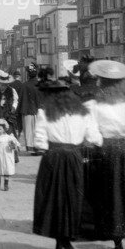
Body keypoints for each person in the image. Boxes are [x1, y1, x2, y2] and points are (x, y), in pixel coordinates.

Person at [32, 76, 103, 249]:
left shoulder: (45, 113)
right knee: (72, 196)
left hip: (53, 157)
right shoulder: (83, 112)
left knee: (53, 197)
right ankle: (68, 236)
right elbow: (95, 138)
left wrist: (48, 144)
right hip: (74, 156)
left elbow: (39, 142)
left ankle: (59, 239)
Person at [83, 60, 125, 249]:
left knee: (112, 193)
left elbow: (91, 134)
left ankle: (117, 238)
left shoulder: (93, 104)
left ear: (101, 82)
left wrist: (102, 144)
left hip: (108, 150)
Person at [0, 118, 20, 191]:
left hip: (6, 156)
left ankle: (6, 183)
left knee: (6, 168)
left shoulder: (8, 137)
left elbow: (15, 145)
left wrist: (13, 145)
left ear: (4, 129)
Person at [17, 63, 42, 155]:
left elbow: (20, 99)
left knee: (28, 130)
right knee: (39, 129)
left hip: (27, 110)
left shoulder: (24, 85)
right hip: (39, 110)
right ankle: (39, 148)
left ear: (28, 74)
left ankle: (31, 148)